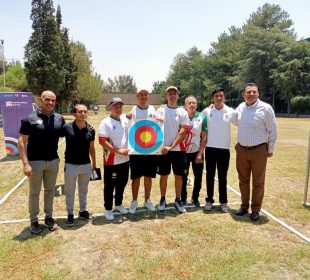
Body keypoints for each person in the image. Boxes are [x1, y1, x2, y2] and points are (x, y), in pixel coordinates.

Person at [18, 90, 65, 235]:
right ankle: (34, 220)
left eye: (53, 100)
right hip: (35, 162)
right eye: (47, 100)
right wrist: (26, 163)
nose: (50, 103)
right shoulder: (30, 119)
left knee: (50, 191)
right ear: (40, 100)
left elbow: (68, 131)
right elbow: (21, 141)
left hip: (53, 162)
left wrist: (87, 126)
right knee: (34, 192)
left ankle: (49, 217)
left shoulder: (59, 118)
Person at [234, 83, 277, 221]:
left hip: (259, 150)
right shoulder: (240, 107)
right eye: (248, 92)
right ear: (243, 94)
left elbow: (273, 130)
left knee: (258, 182)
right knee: (243, 180)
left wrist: (269, 149)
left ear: (258, 94)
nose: (251, 94)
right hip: (242, 150)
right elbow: (233, 120)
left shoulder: (266, 108)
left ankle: (256, 209)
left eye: (254, 92)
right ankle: (244, 205)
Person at [202, 88, 236, 213]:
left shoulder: (230, 111)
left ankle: (224, 202)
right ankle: (209, 200)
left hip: (224, 150)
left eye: (221, 95)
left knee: (223, 177)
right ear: (213, 98)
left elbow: (239, 123)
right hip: (210, 148)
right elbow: (198, 122)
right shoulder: (207, 111)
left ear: (224, 96)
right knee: (210, 176)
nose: (219, 98)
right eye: (216, 96)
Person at [156, 86, 189, 213]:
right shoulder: (160, 111)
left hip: (178, 150)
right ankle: (162, 199)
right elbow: (152, 127)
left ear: (178, 96)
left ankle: (178, 199)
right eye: (170, 93)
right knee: (164, 175)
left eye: (174, 93)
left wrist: (171, 146)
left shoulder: (183, 112)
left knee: (178, 176)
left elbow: (183, 132)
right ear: (166, 96)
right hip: (163, 149)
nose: (172, 95)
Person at [63, 104, 97, 227]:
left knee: (84, 190)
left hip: (86, 165)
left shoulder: (91, 129)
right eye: (80, 112)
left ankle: (83, 211)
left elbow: (92, 148)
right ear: (74, 114)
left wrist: (94, 163)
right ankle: (70, 214)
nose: (83, 114)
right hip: (71, 165)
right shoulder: (66, 127)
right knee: (70, 191)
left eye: (85, 112)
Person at [98, 97, 130, 221]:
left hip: (125, 160)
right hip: (112, 161)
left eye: (120, 106)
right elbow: (102, 141)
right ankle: (108, 209)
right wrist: (117, 151)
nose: (118, 108)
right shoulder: (105, 122)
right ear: (110, 107)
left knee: (122, 183)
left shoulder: (124, 120)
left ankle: (118, 204)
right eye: (115, 106)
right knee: (110, 185)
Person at [127, 89, 157, 214]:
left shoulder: (154, 109)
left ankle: (147, 200)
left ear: (148, 96)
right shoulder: (132, 110)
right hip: (136, 149)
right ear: (137, 97)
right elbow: (127, 123)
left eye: (146, 95)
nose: (144, 97)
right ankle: (134, 201)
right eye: (141, 95)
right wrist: (127, 116)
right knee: (136, 177)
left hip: (151, 148)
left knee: (148, 177)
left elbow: (158, 125)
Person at [181, 95, 207, 207]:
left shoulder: (202, 117)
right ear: (185, 106)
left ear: (196, 105)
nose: (192, 105)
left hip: (197, 152)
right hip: (183, 153)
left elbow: (204, 137)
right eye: (189, 103)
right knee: (183, 176)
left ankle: (195, 198)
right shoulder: (182, 117)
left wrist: (200, 153)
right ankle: (183, 198)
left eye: (194, 103)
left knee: (198, 176)